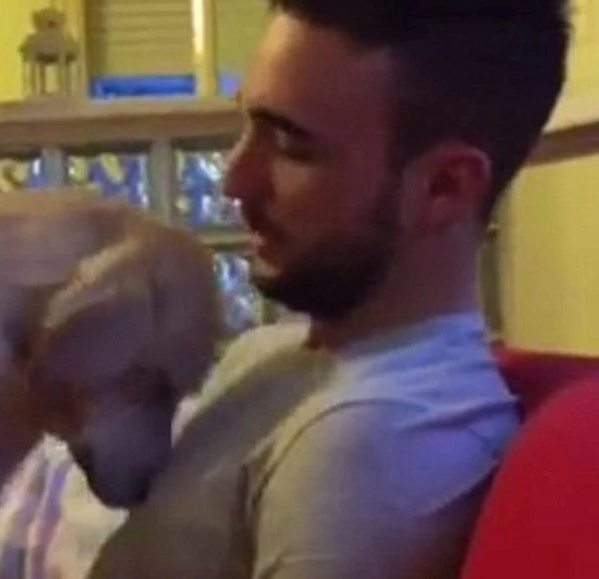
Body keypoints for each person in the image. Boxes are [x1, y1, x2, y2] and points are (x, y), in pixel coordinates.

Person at [85, 1, 571, 578]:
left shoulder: (378, 442)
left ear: (443, 187)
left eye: (291, 145)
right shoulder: (269, 354)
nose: (235, 180)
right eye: (248, 126)